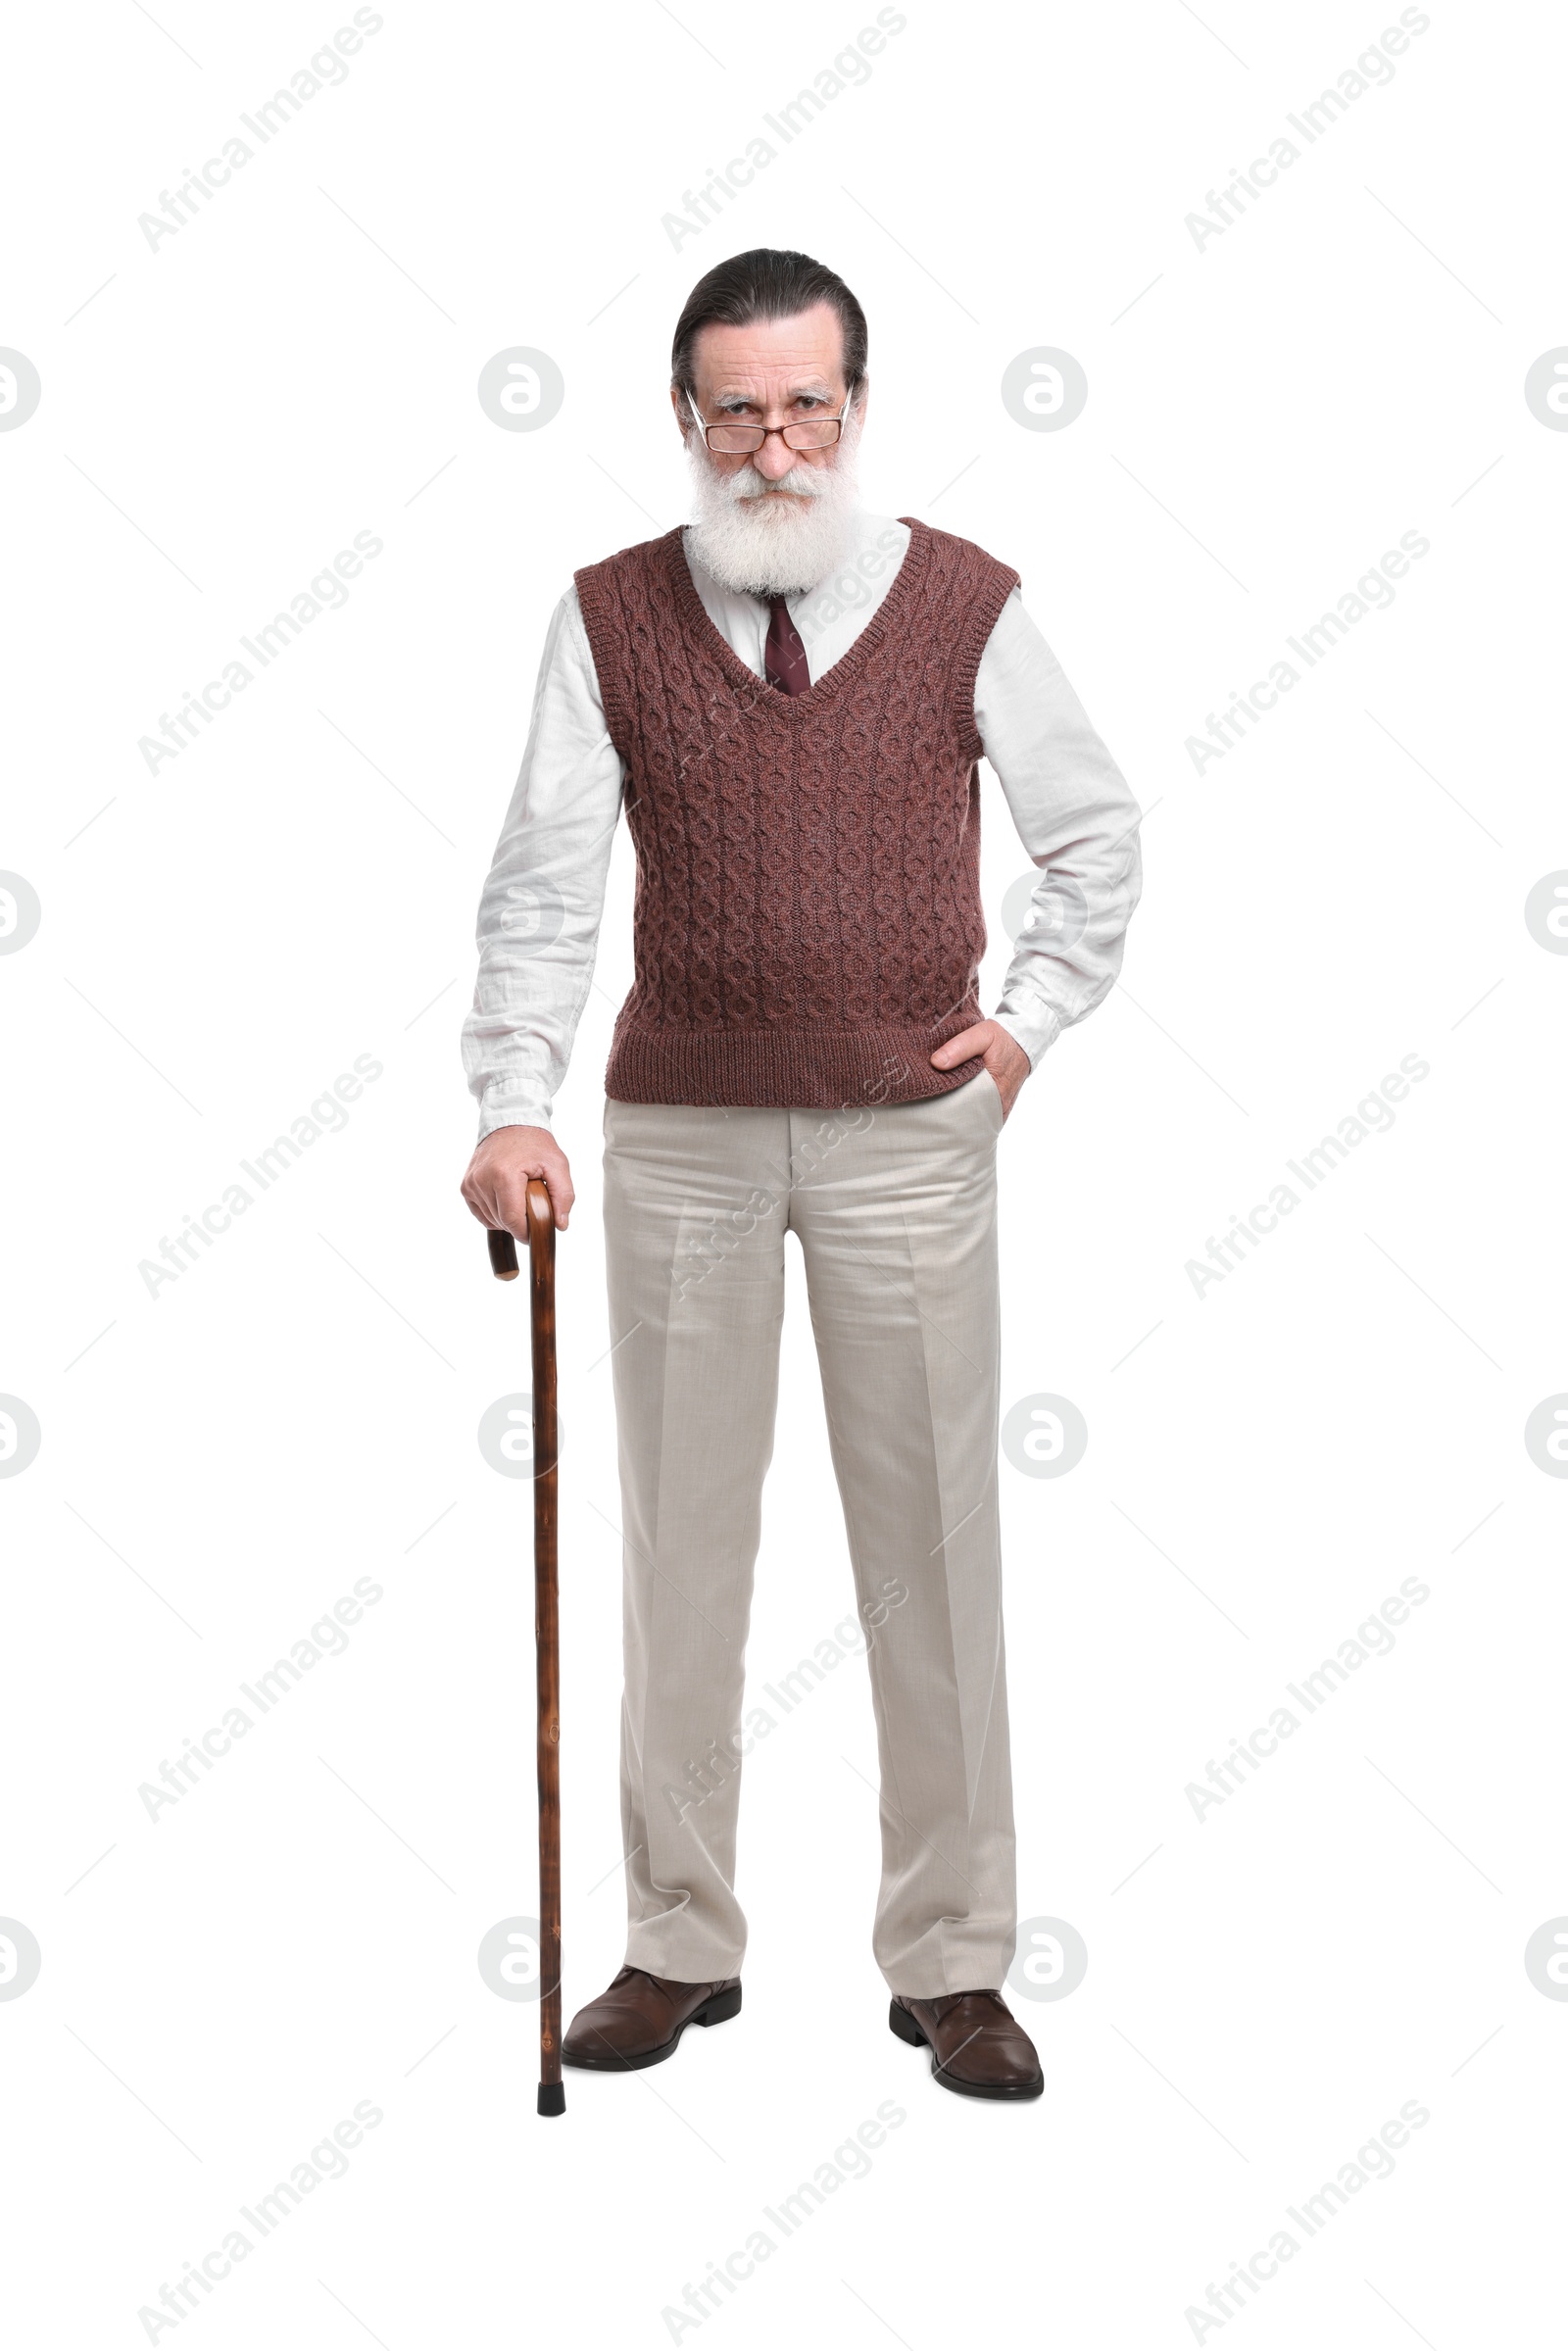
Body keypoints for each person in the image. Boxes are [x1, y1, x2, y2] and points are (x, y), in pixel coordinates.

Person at [460, 247, 1141, 2101]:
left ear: (858, 408)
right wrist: (511, 1098)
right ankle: (677, 1942)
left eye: (808, 404)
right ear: (687, 420)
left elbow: (1093, 838)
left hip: (910, 1137)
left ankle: (955, 1962)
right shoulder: (606, 614)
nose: (775, 444)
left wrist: (1026, 1029)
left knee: (929, 1551)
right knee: (682, 1548)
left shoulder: (968, 602)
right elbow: (543, 883)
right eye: (738, 409)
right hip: (675, 1131)